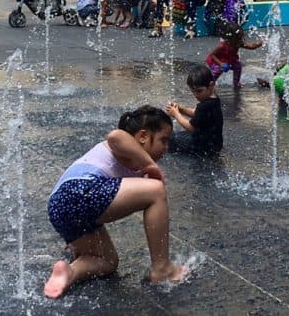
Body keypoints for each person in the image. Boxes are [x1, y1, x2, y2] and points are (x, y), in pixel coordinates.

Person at [43, 105, 187, 299]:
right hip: (82, 190)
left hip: (59, 207)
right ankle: (162, 269)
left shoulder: (134, 162)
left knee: (108, 261)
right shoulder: (126, 146)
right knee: (156, 191)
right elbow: (114, 136)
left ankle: (70, 272)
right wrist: (150, 165)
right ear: (143, 136)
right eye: (164, 140)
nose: (166, 148)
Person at [166, 64, 223, 157]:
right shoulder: (214, 100)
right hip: (215, 145)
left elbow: (191, 127)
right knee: (179, 135)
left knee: (170, 137)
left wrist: (176, 114)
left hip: (201, 147)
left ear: (211, 85)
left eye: (199, 91)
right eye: (193, 91)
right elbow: (197, 114)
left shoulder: (205, 105)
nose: (196, 95)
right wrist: (181, 110)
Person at [204, 21, 262, 89]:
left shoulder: (238, 43)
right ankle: (210, 84)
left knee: (237, 66)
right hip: (216, 61)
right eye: (238, 39)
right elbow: (212, 55)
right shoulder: (222, 46)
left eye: (241, 38)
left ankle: (236, 83)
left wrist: (257, 45)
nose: (240, 40)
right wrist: (221, 64)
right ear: (230, 39)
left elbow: (250, 46)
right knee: (218, 70)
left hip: (229, 60)